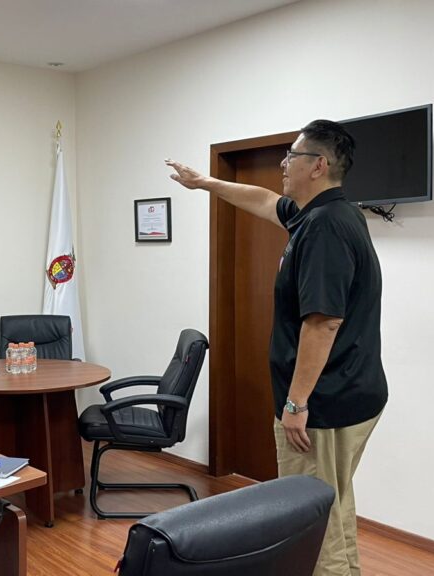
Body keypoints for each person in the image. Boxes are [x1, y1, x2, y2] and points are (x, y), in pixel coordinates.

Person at [166, 119, 387, 576]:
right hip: (348, 393)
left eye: (293, 156)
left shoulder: (326, 227)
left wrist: (296, 402)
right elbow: (265, 201)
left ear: (319, 165)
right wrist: (204, 182)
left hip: (324, 403)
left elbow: (323, 324)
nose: (284, 164)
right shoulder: (320, 213)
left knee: (310, 512)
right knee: (331, 501)